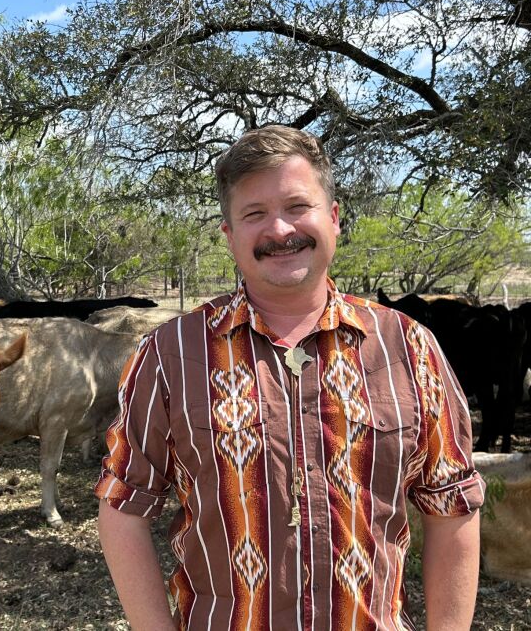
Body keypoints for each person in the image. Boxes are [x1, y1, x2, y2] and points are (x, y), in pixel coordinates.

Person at [95, 125, 484, 630]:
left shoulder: (408, 348)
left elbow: (452, 503)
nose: (280, 230)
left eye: (298, 206)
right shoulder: (170, 355)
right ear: (230, 236)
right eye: (254, 214)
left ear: (335, 218)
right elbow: (124, 507)